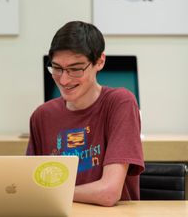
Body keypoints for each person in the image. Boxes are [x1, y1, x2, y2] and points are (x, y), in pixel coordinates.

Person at [27, 21, 144, 207]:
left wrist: (52, 192)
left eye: (75, 69)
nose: (64, 79)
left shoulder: (120, 103)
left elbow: (109, 193)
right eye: (57, 68)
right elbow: (32, 187)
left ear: (100, 61)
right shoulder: (42, 116)